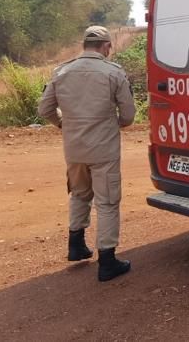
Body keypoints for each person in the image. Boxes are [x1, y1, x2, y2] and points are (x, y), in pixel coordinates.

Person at [38, 26, 137, 282]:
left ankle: (76, 245)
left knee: (79, 193)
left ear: (84, 45)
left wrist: (64, 124)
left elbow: (45, 109)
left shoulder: (62, 71)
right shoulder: (113, 72)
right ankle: (107, 261)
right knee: (107, 202)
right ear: (106, 46)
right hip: (103, 148)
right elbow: (128, 115)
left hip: (74, 148)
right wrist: (115, 124)